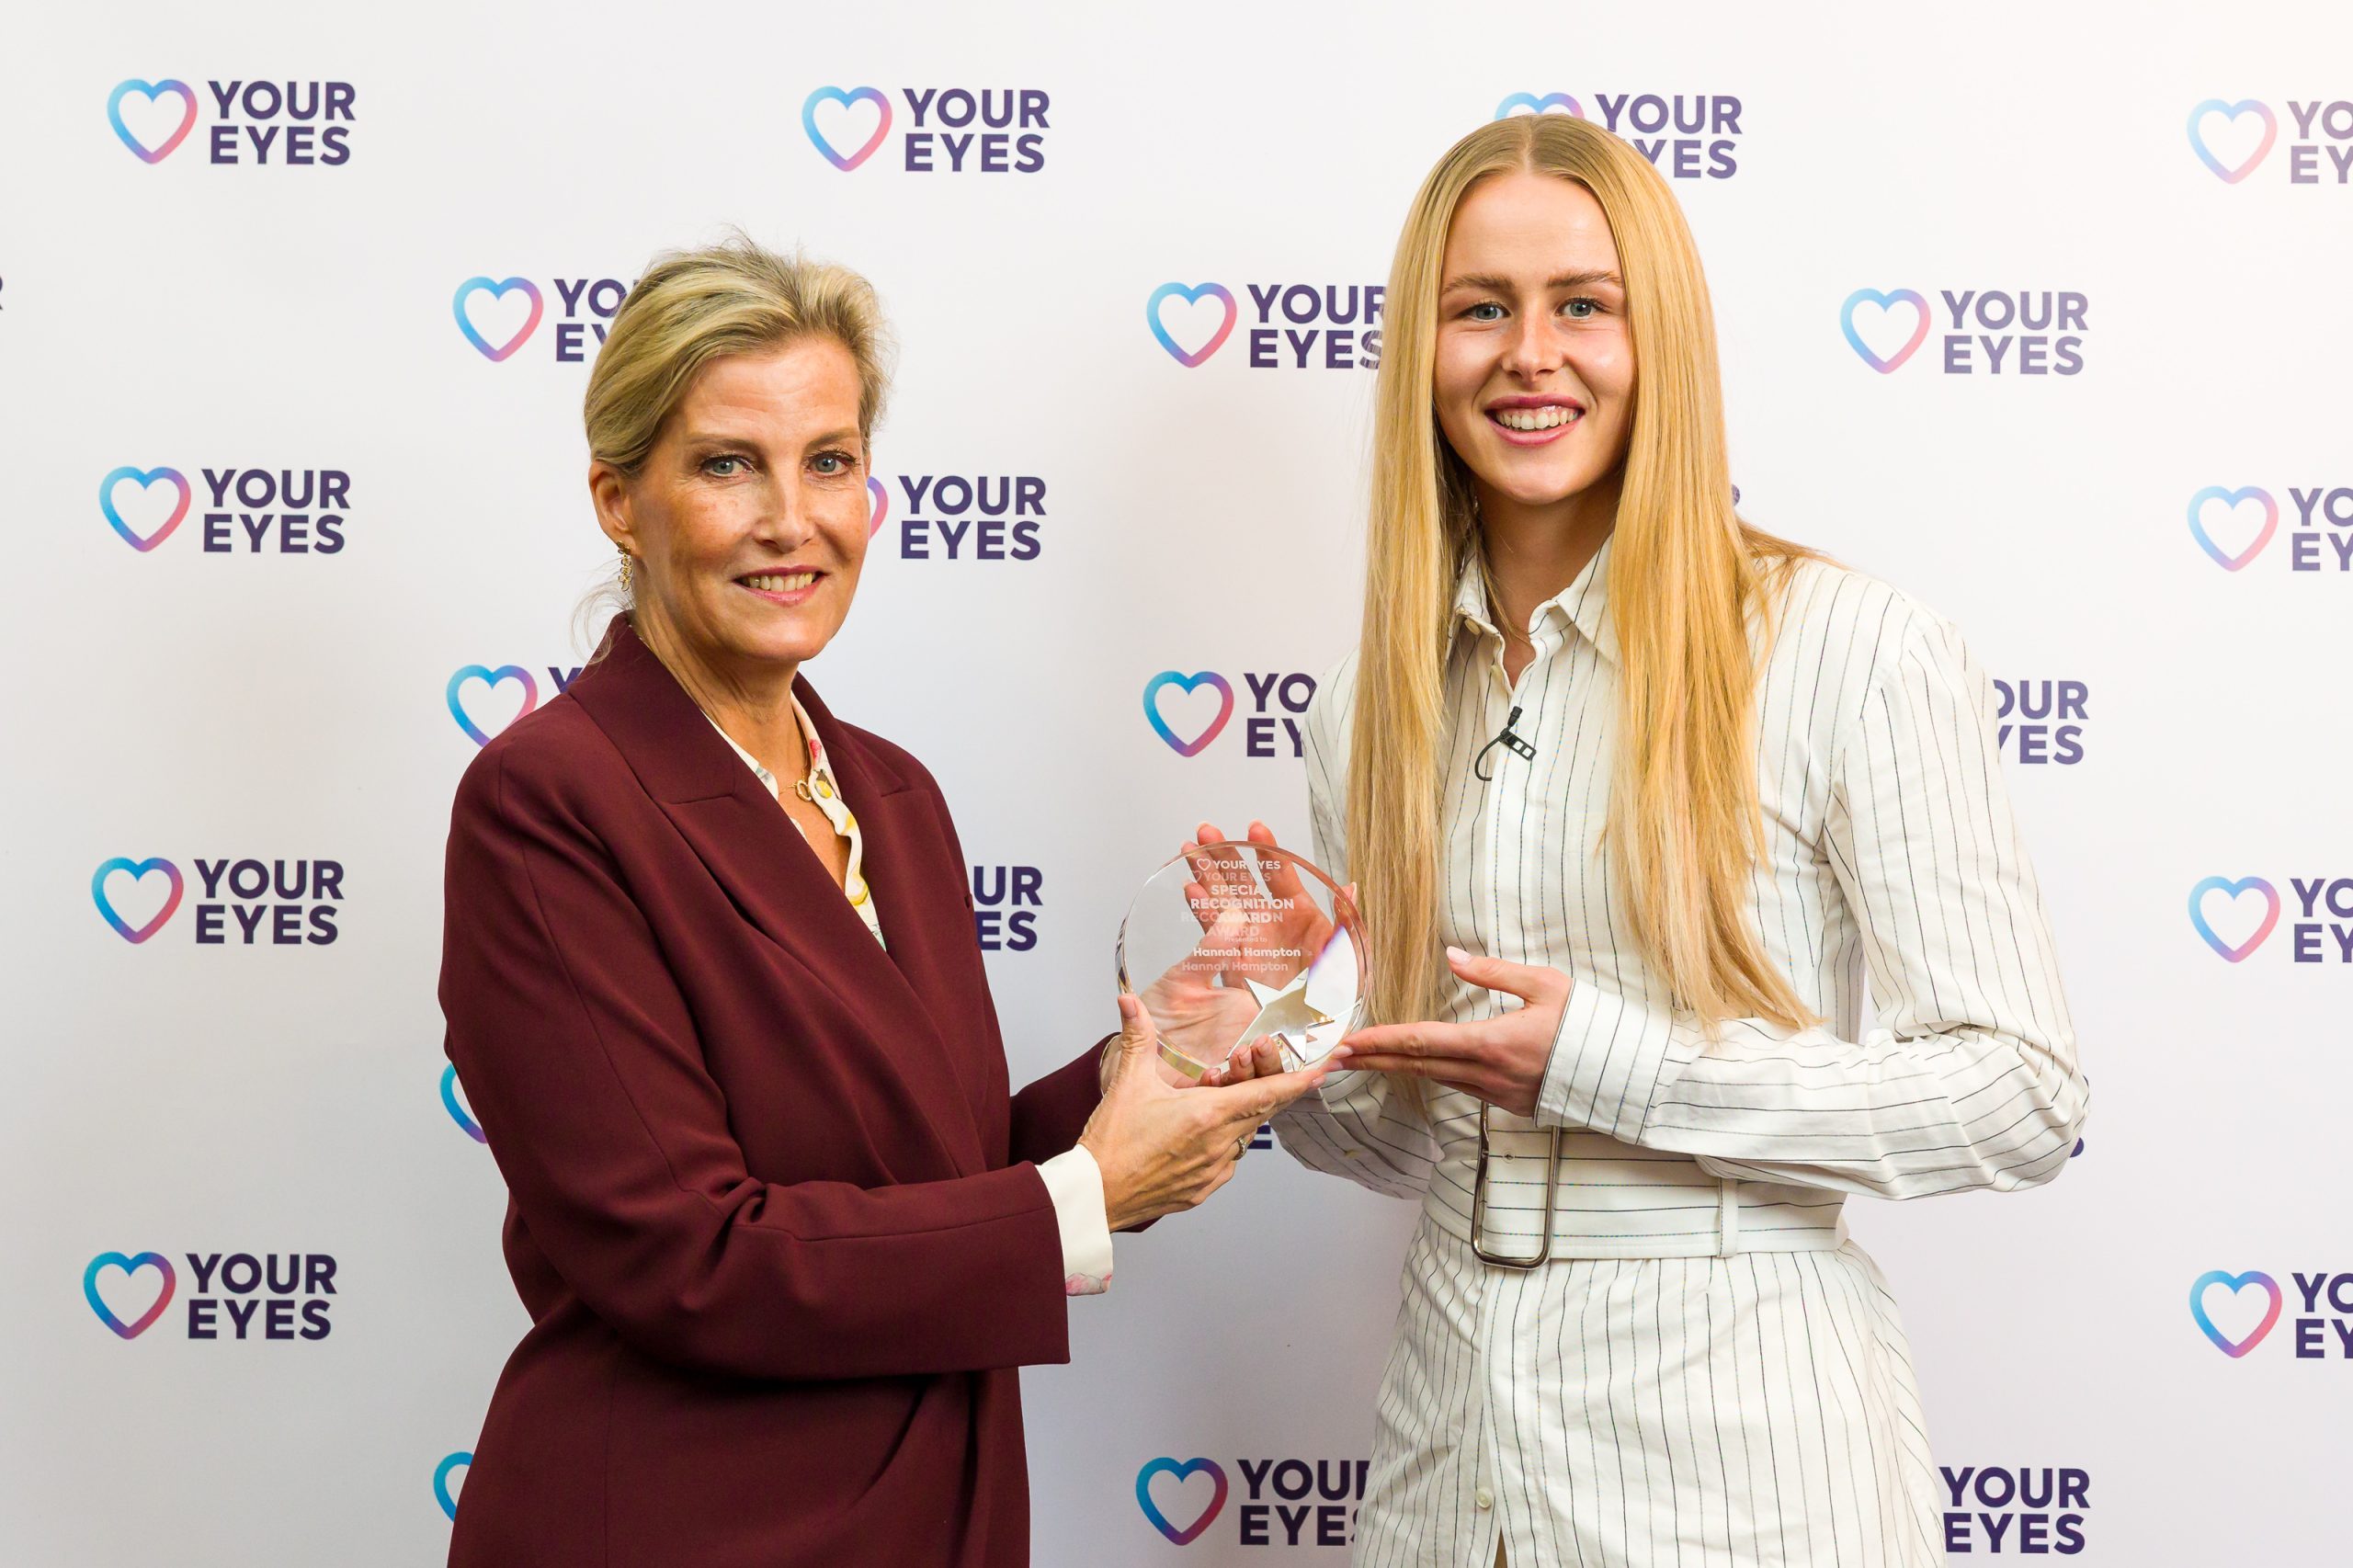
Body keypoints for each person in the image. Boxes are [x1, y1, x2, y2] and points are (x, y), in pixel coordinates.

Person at [1211, 115, 2088, 1567]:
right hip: (1448, 1466)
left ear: (1658, 336)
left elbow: (2021, 1091)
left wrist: (1611, 1062)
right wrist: (1300, 1044)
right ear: (1422, 349)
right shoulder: (1370, 704)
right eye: (1480, 308)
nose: (1529, 355)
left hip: (1742, 1472)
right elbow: (1409, 1140)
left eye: (1582, 305)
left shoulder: (1849, 647)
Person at [437, 237, 1324, 1568]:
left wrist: (1178, 1042)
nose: (791, 519)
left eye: (829, 461)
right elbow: (692, 1256)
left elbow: (933, 1170)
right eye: (727, 464)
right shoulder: (548, 801)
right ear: (619, 500)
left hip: (933, 1516)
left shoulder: (890, 793)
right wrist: (1083, 1195)